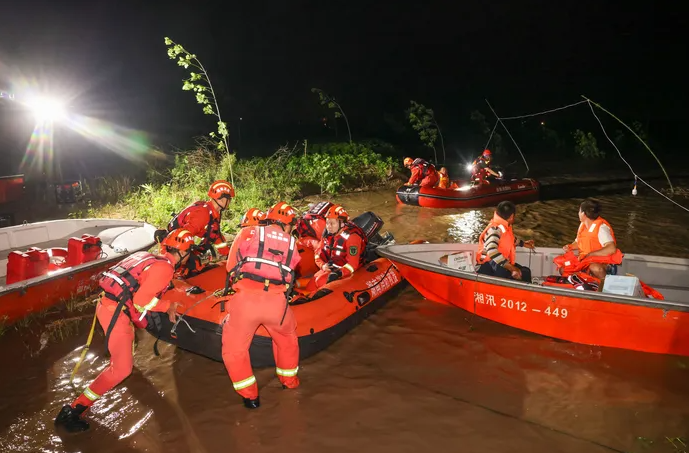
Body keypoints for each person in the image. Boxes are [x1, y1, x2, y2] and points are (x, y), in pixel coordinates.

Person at [54, 229, 193, 432]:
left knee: (122, 359)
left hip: (108, 305)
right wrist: (167, 306)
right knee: (121, 369)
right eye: (189, 252)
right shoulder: (165, 269)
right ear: (183, 252)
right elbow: (141, 301)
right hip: (116, 314)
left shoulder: (147, 257)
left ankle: (81, 403)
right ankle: (73, 411)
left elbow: (136, 286)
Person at [223, 201, 301, 409]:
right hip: (277, 305)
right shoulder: (292, 243)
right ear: (288, 224)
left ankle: (251, 398)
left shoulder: (248, 233)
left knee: (234, 350)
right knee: (287, 340)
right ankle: (289, 383)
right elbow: (290, 274)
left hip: (246, 302)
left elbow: (231, 267)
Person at [155, 180, 235, 277]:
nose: (230, 201)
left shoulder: (212, 213)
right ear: (222, 199)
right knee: (194, 264)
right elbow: (183, 237)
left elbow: (215, 235)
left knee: (196, 262)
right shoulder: (203, 214)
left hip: (178, 246)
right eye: (229, 199)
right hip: (173, 248)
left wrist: (230, 255)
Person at [560, 199, 623, 280]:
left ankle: (605, 288)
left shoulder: (601, 228)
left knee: (595, 267)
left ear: (583, 214)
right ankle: (577, 286)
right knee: (564, 269)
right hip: (585, 261)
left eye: (579, 211)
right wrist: (570, 246)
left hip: (603, 263)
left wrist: (591, 254)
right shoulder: (582, 226)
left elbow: (611, 248)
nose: (578, 213)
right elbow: (579, 242)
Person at [310, 204, 367, 289]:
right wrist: (322, 265)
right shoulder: (327, 235)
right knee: (311, 285)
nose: (329, 226)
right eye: (327, 223)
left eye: (332, 223)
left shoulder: (352, 237)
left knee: (320, 281)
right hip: (331, 268)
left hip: (347, 272)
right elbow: (317, 253)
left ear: (342, 223)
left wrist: (339, 273)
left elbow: (352, 265)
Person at [476, 201, 534, 282]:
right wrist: (512, 268)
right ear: (512, 217)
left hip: (498, 263)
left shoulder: (503, 227)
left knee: (525, 272)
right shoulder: (495, 229)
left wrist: (524, 244)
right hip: (486, 266)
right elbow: (492, 250)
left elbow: (510, 239)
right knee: (504, 271)